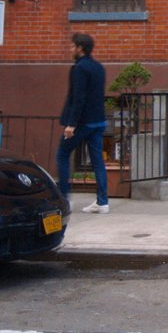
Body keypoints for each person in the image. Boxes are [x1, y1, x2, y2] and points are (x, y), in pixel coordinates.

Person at [56, 32, 110, 214]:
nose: (70, 49)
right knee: (97, 162)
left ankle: (64, 199)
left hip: (83, 122)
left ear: (80, 48)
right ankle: (102, 202)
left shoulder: (79, 68)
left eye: (72, 46)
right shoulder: (98, 67)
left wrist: (71, 124)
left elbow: (78, 97)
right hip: (98, 120)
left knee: (62, 154)